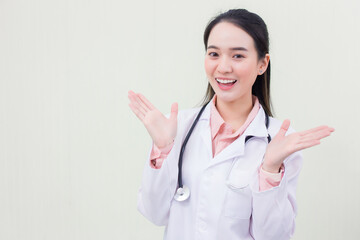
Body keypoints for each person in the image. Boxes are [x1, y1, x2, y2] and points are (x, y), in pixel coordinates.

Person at [128, 9, 334, 240]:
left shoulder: (278, 140)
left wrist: (270, 170)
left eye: (238, 56)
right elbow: (154, 213)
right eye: (214, 54)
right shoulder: (178, 128)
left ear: (262, 64)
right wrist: (162, 149)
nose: (224, 67)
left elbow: (274, 236)